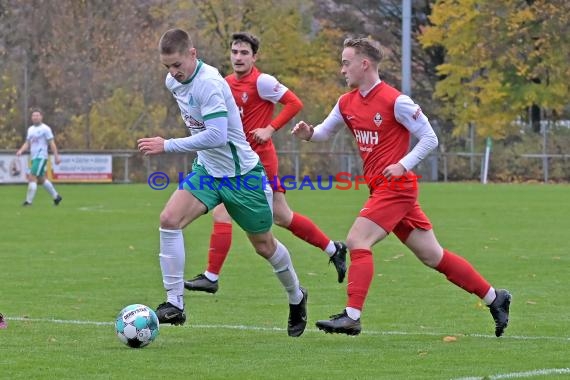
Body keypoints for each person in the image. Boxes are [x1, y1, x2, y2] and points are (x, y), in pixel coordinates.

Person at [291, 37, 511, 337]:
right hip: (383, 190)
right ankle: (495, 298)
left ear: (364, 64)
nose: (342, 69)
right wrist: (308, 133)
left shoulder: (396, 101)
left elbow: (430, 138)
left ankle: (352, 316)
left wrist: (403, 164)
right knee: (433, 256)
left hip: (396, 189)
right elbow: (324, 132)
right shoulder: (346, 102)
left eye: (346, 62)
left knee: (357, 241)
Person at [137, 28, 308, 337]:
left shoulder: (210, 84)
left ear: (193, 53)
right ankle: (174, 304)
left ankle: (297, 296)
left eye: (177, 65)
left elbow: (216, 135)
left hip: (242, 175)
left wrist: (168, 145)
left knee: (264, 245)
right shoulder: (173, 82)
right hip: (207, 171)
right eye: (167, 68)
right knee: (169, 219)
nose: (173, 73)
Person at [184, 32, 347, 295]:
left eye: (244, 53)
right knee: (283, 216)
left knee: (222, 211)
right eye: (235, 52)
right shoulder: (222, 83)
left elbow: (294, 103)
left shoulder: (262, 82)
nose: (238, 57)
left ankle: (211, 276)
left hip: (258, 161)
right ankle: (334, 248)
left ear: (254, 57)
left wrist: (270, 128)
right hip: (236, 162)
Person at [16, 108, 63, 206]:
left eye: (37, 115)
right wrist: (21, 150)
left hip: (41, 157)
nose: (35, 117)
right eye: (33, 115)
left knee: (32, 177)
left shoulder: (45, 129)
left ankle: (28, 202)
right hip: (34, 157)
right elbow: (27, 143)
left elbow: (52, 143)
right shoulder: (30, 129)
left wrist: (56, 156)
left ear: (41, 117)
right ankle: (56, 197)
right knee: (41, 179)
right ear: (31, 117)